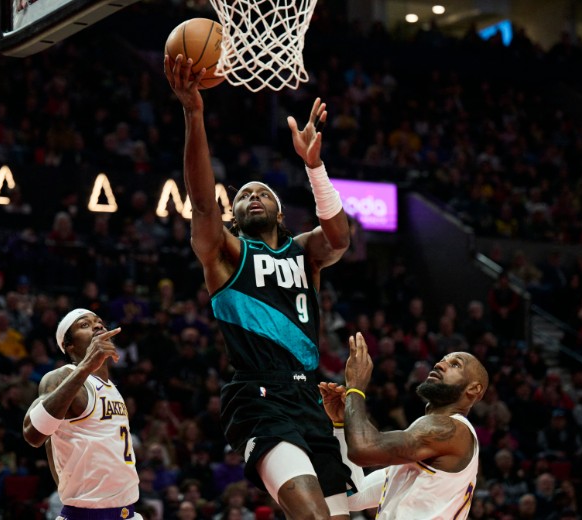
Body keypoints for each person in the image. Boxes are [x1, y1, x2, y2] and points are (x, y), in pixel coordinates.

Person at [165, 55, 352, 520]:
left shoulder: (304, 251)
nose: (252, 197)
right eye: (244, 194)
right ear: (235, 212)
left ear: (280, 212)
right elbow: (205, 204)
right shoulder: (226, 254)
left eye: (262, 193)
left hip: (309, 396)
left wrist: (314, 168)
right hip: (260, 397)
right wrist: (194, 113)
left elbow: (340, 239)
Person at [318, 332, 488, 519]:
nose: (440, 364)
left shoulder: (451, 429)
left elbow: (363, 449)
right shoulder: (419, 451)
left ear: (473, 388)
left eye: (455, 364)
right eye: (442, 360)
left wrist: (356, 387)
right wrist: (342, 425)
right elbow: (355, 497)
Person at [22, 308, 141, 520]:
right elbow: (34, 434)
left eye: (99, 322)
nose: (97, 326)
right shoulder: (60, 377)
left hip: (127, 514)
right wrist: (86, 366)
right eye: (84, 325)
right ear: (69, 345)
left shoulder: (112, 387)